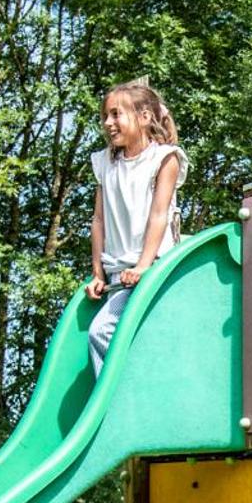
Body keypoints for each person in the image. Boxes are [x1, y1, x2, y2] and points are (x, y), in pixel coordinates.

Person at [86, 80, 186, 373]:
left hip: (151, 271)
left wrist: (143, 265)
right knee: (122, 339)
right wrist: (97, 273)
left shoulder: (163, 158)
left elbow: (159, 214)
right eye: (106, 116)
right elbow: (99, 220)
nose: (108, 123)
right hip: (118, 276)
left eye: (116, 114)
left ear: (144, 117)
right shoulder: (106, 163)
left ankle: (116, 398)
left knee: (102, 332)